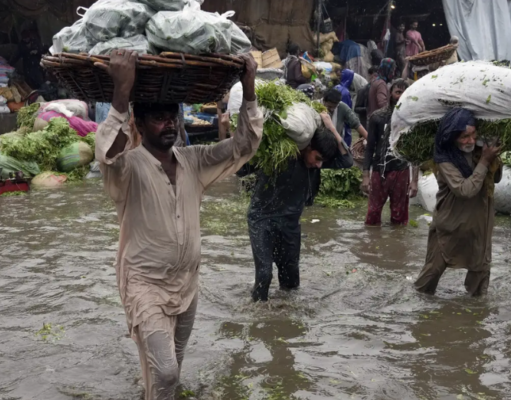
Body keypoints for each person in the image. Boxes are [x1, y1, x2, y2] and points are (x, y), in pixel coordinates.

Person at [93, 50, 262, 399]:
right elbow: (107, 152)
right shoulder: (127, 168)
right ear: (139, 125)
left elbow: (245, 145)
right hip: (145, 283)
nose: (169, 123)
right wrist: (122, 93)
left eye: (173, 116)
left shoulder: (193, 161)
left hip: (187, 282)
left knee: (173, 369)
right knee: (166, 371)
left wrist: (249, 87)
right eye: (158, 117)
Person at [241, 121, 353, 302]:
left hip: (290, 223)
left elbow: (347, 161)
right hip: (261, 218)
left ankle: (286, 315)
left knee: (291, 280)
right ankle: (257, 317)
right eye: (317, 158)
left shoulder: (315, 163)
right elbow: (240, 170)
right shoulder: (278, 155)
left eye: (322, 161)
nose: (318, 165)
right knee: (264, 275)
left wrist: (331, 127)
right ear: (307, 147)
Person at [414, 108, 502, 296]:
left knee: (479, 278)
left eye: (473, 134)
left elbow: (496, 179)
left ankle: (474, 319)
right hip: (449, 225)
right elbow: (464, 190)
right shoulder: (444, 160)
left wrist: (494, 158)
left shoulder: (481, 151)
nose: (470, 141)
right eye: (464, 136)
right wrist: (485, 162)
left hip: (478, 224)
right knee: (430, 275)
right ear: (452, 137)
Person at [362, 79, 417, 227]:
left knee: (399, 217)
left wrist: (414, 181)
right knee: (373, 215)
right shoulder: (377, 117)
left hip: (401, 170)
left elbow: (414, 151)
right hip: (379, 170)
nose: (401, 96)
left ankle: (397, 247)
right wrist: (366, 175)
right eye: (398, 92)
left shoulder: (411, 119)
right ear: (390, 94)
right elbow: (370, 147)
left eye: (405, 92)